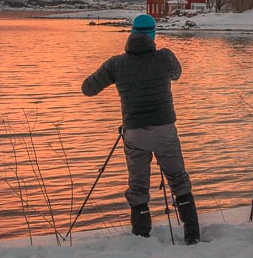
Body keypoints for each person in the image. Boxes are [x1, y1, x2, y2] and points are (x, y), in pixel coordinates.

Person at [82, 13, 201, 244]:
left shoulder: (116, 63)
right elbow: (177, 75)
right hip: (165, 130)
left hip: (134, 133)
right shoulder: (165, 57)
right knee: (178, 179)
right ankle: (192, 235)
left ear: (132, 34)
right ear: (153, 35)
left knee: (138, 186)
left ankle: (141, 237)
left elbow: (87, 88)